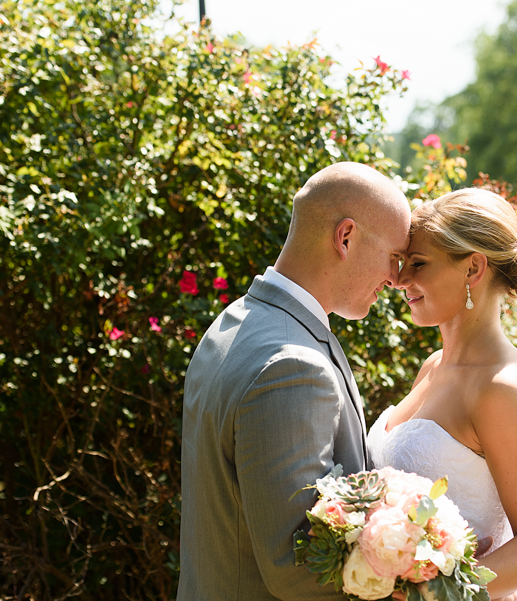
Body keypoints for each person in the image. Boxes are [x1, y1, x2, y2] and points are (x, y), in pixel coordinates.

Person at [177, 162, 411, 601]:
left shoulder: (235, 322)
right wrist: (420, 577)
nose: (397, 280)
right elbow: (296, 569)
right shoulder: (293, 365)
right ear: (346, 237)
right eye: (394, 258)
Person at [367, 188, 517, 601]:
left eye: (418, 265)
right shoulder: (433, 366)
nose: (400, 279)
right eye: (404, 263)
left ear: (473, 269)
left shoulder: (502, 389)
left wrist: (431, 594)